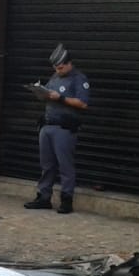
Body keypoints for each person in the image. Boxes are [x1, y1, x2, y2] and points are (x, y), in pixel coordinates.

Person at [24, 43, 91, 214]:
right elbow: (49, 94)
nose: (58, 70)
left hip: (64, 128)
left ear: (69, 63)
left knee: (65, 165)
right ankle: (43, 196)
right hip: (47, 125)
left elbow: (82, 103)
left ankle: (66, 199)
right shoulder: (55, 77)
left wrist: (60, 98)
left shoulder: (79, 79)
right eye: (55, 68)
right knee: (47, 165)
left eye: (61, 67)